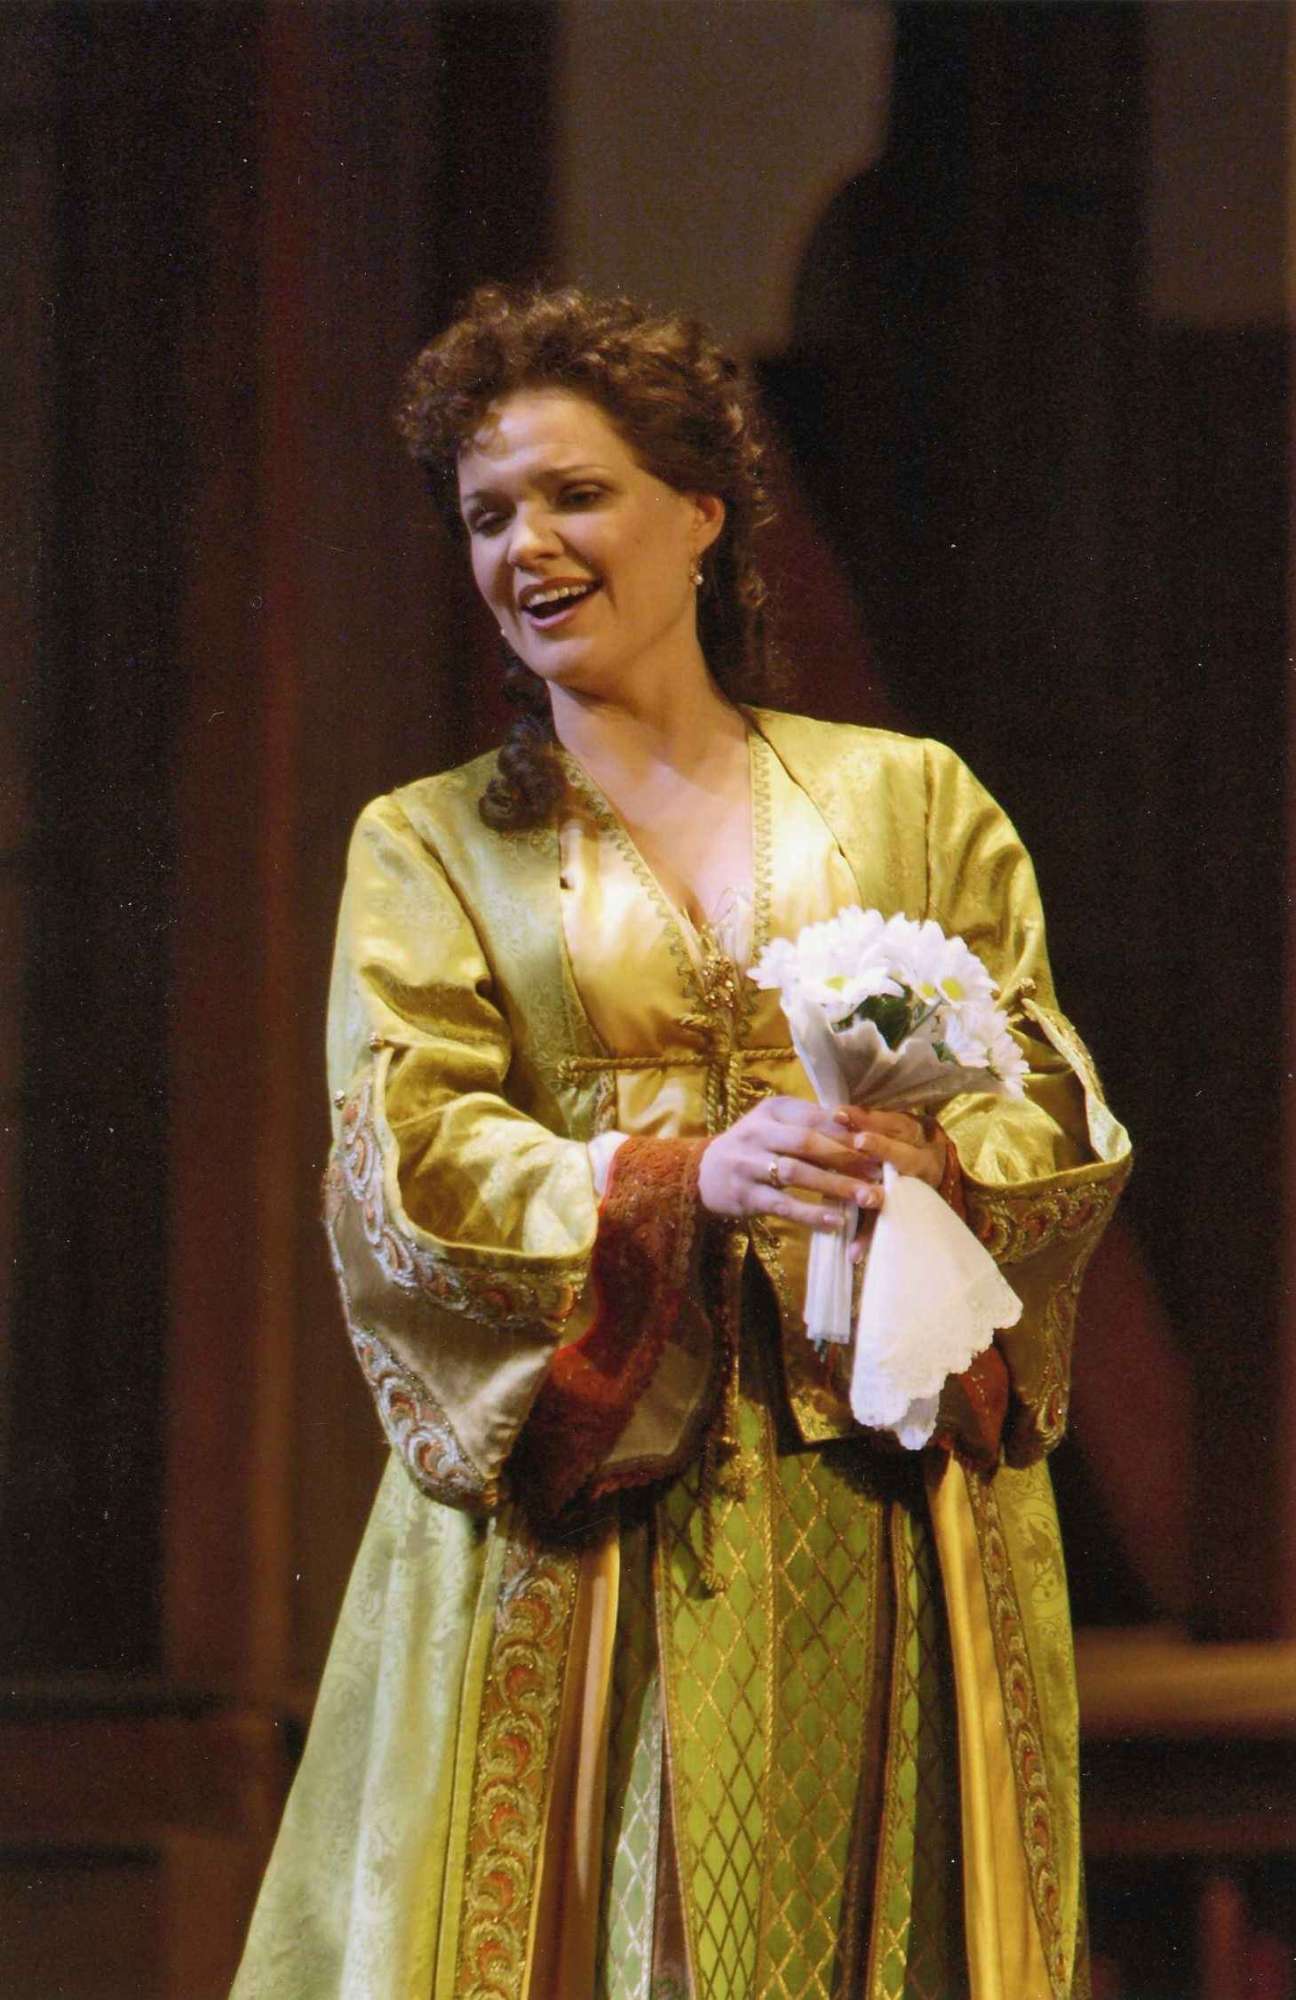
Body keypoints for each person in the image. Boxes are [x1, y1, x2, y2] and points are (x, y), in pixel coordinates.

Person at [231, 285, 1130, 2000]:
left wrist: (941, 1169)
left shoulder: (907, 799)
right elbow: (404, 1155)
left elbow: (1046, 1090)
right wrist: (670, 1180)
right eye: (487, 515)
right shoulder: (431, 845)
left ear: (702, 513)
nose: (526, 547)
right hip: (592, 1498)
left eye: (575, 495)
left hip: (877, 1487)